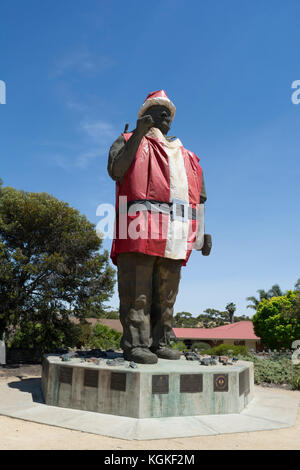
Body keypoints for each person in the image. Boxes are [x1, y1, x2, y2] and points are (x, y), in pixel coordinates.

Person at [107, 90, 212, 364]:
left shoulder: (189, 158)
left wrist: (201, 235)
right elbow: (117, 170)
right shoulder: (129, 140)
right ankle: (136, 344)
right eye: (156, 109)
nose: (164, 114)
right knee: (137, 293)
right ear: (143, 115)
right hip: (138, 230)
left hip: (176, 235)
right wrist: (139, 135)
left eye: (168, 112)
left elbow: (198, 200)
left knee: (166, 296)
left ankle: (161, 341)